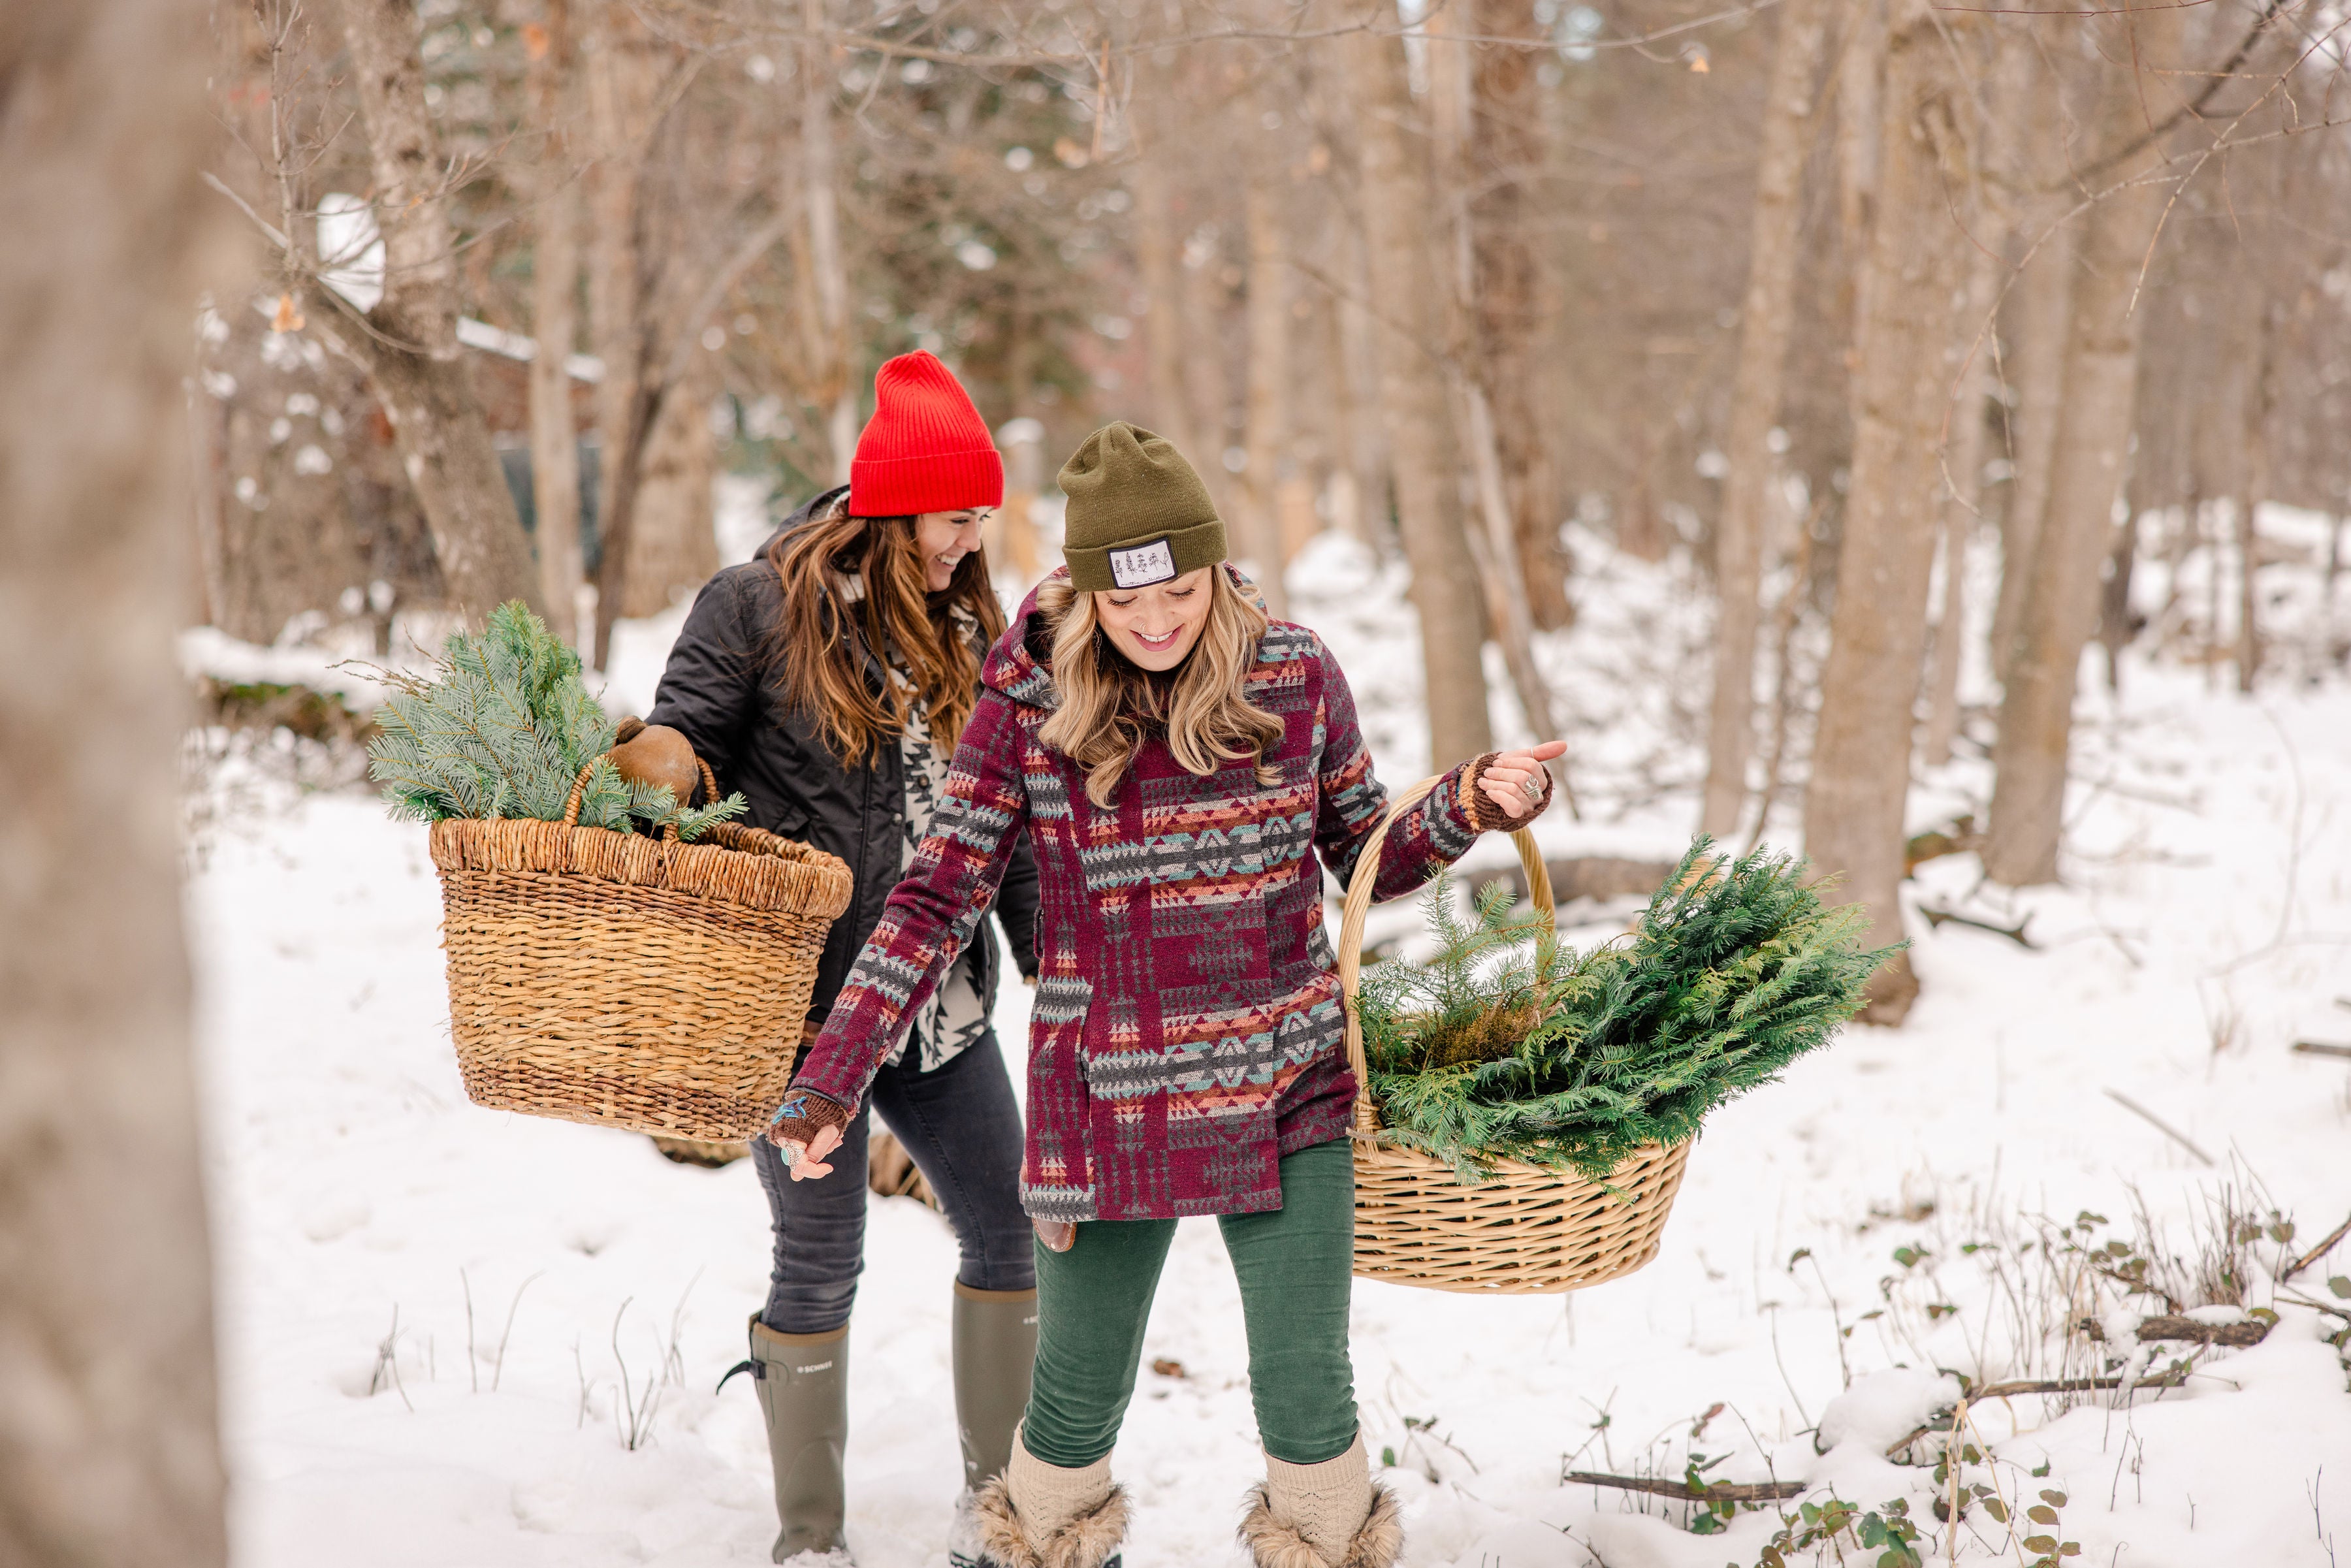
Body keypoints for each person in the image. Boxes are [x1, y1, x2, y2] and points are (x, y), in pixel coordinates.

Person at [767, 422, 1565, 1568]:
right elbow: (935, 900)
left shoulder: (1291, 670)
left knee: (1308, 1391)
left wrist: (1472, 802)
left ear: (1213, 569)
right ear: (1088, 594)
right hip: (1106, 1096)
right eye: (1126, 602)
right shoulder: (1029, 698)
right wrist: (833, 1080)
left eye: (1179, 593)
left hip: (1285, 1077)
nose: (1155, 623)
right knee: (1075, 1400)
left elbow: (1364, 853)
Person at [645, 351, 1042, 1567]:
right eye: (956, 515)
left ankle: (1002, 1513)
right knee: (821, 1256)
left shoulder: (974, 618)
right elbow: (680, 757)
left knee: (1011, 1227)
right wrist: (653, 763)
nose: (972, 541)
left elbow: (1005, 815)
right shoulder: (752, 605)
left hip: (942, 1004)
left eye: (985, 517)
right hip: (802, 1017)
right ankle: (810, 1535)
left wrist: (1053, 966)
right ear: (892, 503)